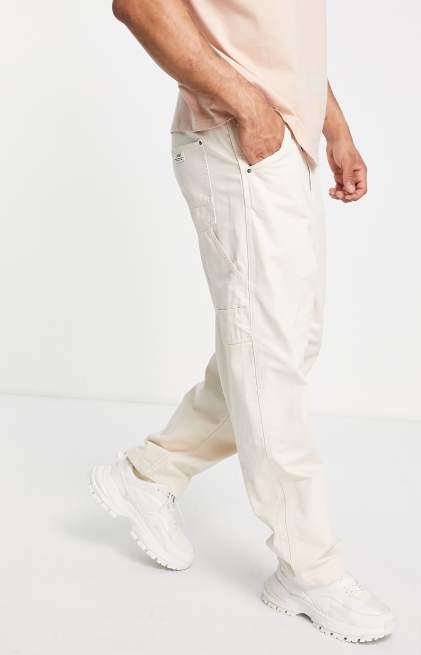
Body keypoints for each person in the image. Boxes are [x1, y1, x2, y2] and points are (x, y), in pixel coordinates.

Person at [90, 0, 395, 643]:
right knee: (269, 357)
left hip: (282, 145)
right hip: (239, 141)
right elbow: (138, 5)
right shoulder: (245, 120)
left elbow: (281, 38)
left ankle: (150, 473)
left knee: (280, 347)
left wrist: (333, 128)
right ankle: (308, 569)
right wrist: (247, 106)